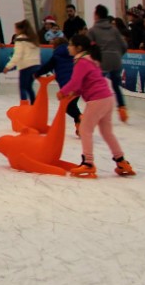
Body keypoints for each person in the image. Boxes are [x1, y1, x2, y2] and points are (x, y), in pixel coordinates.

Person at [57, 34, 135, 178]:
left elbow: (75, 82)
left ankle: (88, 163)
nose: (68, 47)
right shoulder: (90, 60)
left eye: (70, 45)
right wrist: (72, 95)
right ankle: (121, 161)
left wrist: (63, 92)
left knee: (85, 129)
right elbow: (84, 84)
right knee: (107, 132)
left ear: (78, 47)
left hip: (97, 99)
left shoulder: (81, 62)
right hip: (107, 98)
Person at [35, 34, 83, 134]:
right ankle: (79, 125)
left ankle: (80, 119)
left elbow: (47, 67)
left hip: (67, 86)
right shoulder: (73, 54)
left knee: (67, 107)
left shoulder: (56, 56)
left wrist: (37, 73)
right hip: (78, 84)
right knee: (72, 106)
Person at [88, 4, 129, 122]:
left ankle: (98, 110)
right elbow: (124, 45)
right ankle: (122, 109)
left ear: (96, 15)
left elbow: (87, 46)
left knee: (97, 86)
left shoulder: (93, 30)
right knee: (116, 85)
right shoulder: (114, 29)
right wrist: (117, 55)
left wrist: (94, 59)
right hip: (116, 60)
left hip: (102, 62)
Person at [3, 19, 42, 102]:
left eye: (16, 29)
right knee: (28, 87)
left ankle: (23, 106)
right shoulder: (33, 38)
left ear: (20, 29)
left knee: (23, 87)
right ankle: (33, 105)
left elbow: (17, 55)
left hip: (26, 66)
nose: (15, 31)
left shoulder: (20, 39)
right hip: (36, 65)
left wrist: (8, 66)